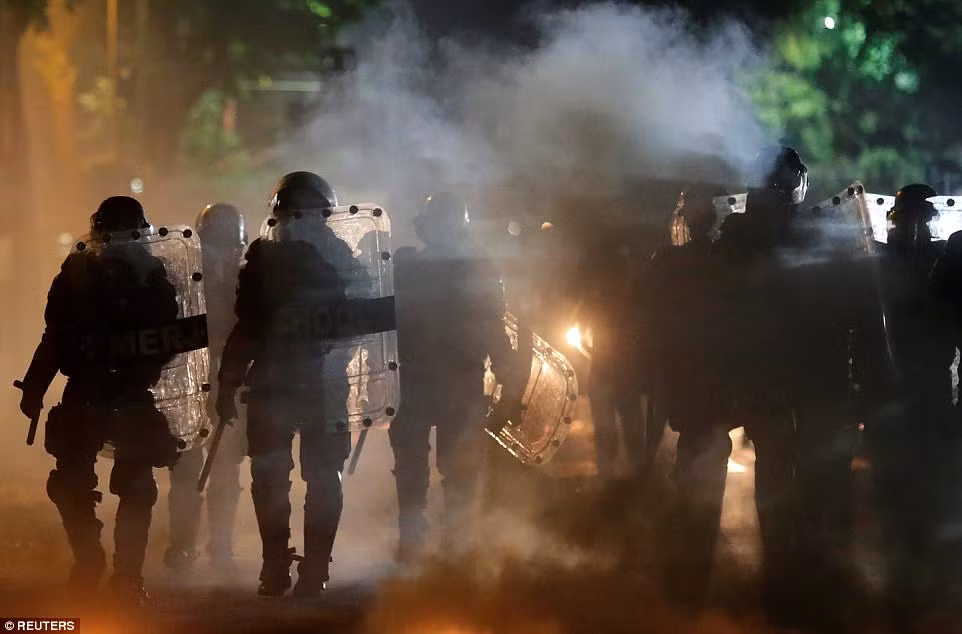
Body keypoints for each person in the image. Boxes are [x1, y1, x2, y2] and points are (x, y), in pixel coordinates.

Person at [716, 146, 862, 627]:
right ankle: (810, 575)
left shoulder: (737, 236)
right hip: (806, 378)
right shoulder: (810, 232)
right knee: (813, 478)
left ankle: (783, 577)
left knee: (777, 472)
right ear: (796, 180)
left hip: (768, 378)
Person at [17, 196, 182, 605]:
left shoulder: (140, 274)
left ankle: (117, 574)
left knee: (126, 487)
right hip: (107, 393)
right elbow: (57, 337)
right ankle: (104, 568)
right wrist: (36, 386)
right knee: (87, 484)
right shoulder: (96, 272)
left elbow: (168, 339)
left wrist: (38, 386)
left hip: (113, 393)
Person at [217, 172, 355, 598]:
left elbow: (247, 329)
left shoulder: (266, 255)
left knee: (281, 475)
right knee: (294, 475)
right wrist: (227, 383)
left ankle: (286, 566)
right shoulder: (336, 257)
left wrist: (229, 383)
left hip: (295, 383)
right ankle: (298, 568)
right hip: (307, 383)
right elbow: (250, 327)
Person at [390, 192, 516, 560]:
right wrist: (505, 365)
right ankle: (447, 541)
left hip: (432, 378)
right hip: (442, 377)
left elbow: (491, 321)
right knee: (448, 466)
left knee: (422, 466)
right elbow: (493, 322)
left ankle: (423, 539)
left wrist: (504, 362)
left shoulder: (407, 265)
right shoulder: (471, 266)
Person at [863, 184, 956, 625]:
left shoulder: (937, 261)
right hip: (897, 389)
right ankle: (908, 584)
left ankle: (920, 582)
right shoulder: (878, 259)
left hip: (923, 387)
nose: (919, 225)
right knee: (902, 490)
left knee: (923, 488)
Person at [652, 184, 736, 606]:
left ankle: (684, 587)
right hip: (709, 398)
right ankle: (690, 586)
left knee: (692, 488)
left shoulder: (670, 266)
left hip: (692, 397)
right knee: (700, 491)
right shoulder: (726, 265)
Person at [166, 203, 247, 573]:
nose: (222, 253)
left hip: (229, 382)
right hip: (192, 381)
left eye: (227, 244)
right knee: (187, 467)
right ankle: (185, 545)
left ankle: (218, 546)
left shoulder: (247, 281)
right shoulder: (183, 279)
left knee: (224, 467)